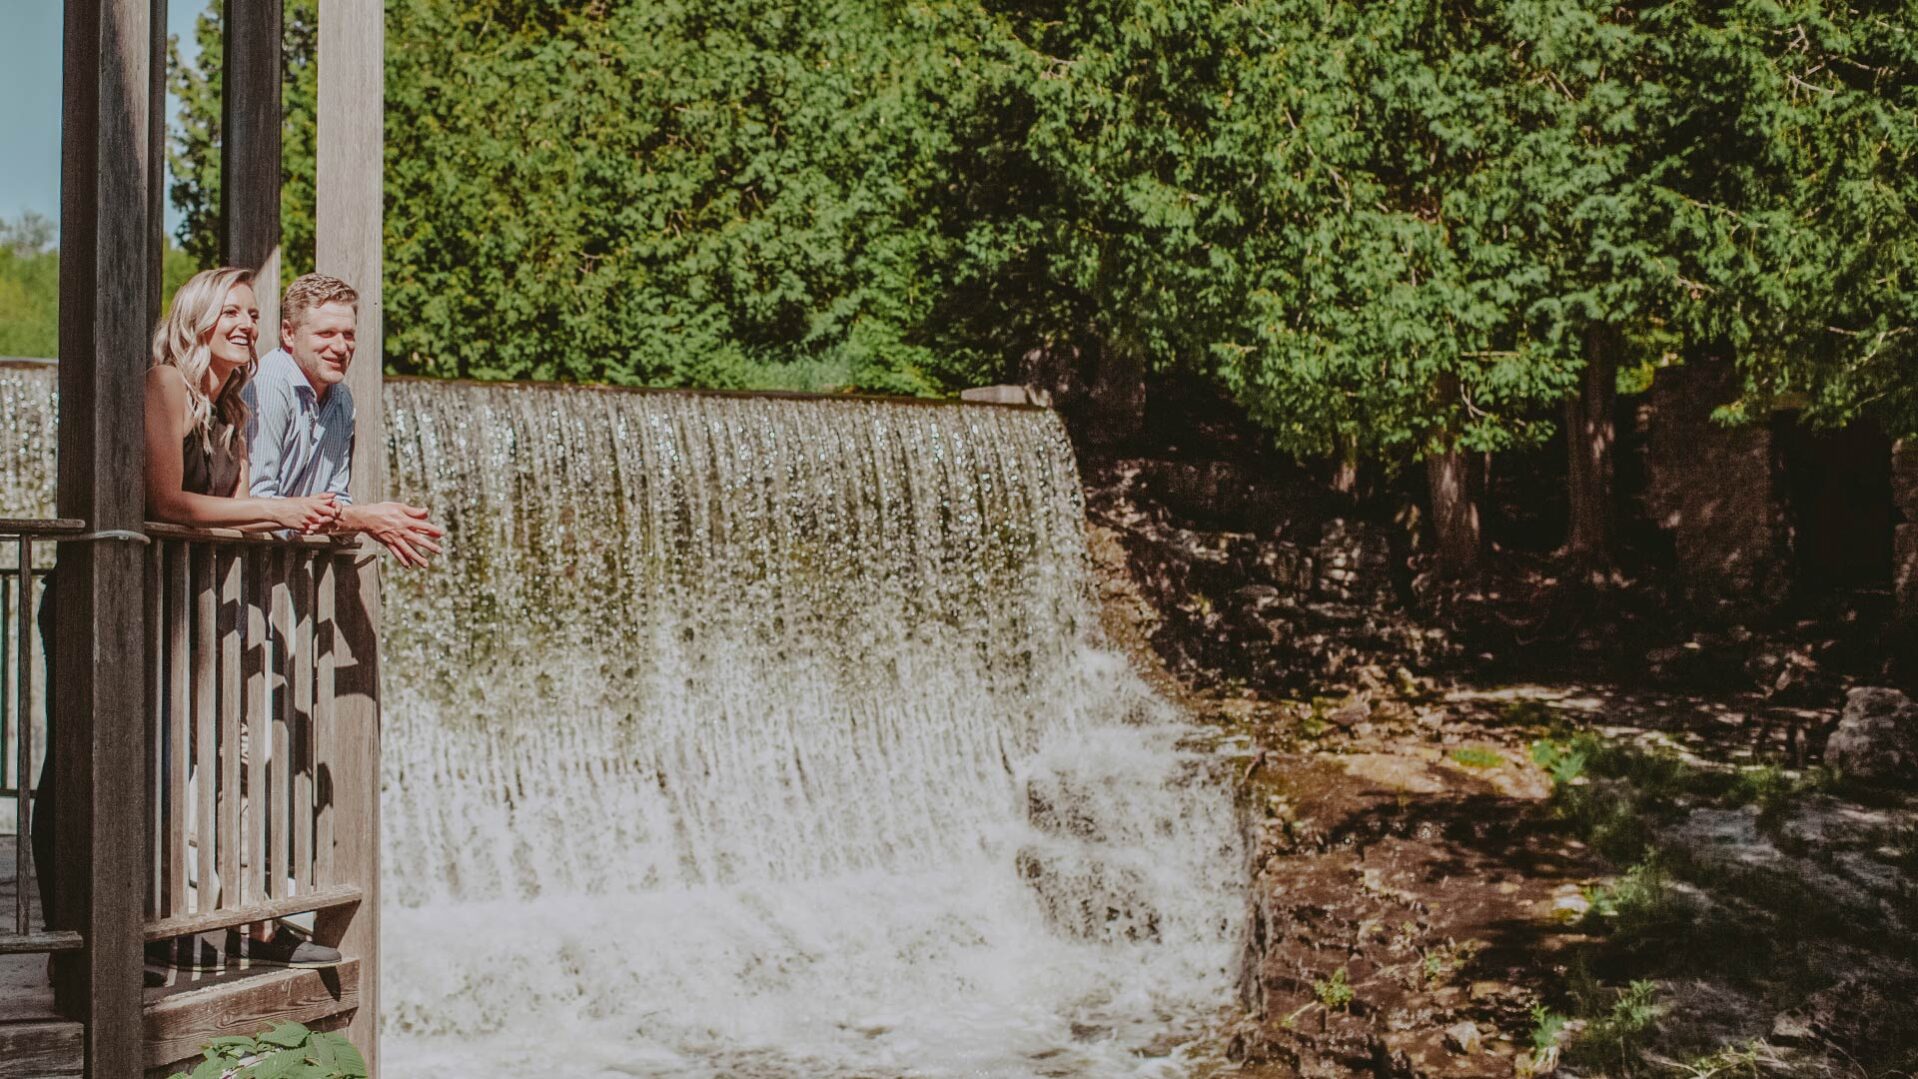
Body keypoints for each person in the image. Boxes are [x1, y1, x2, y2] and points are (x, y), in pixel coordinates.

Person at [32, 268, 344, 979]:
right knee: (83, 764)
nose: (246, 324)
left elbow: (236, 510)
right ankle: (69, 949)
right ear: (198, 318)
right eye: (231, 311)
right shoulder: (164, 383)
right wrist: (281, 510)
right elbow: (170, 502)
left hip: (177, 613)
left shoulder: (233, 408)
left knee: (181, 766)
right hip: (101, 602)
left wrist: (306, 515)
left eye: (253, 314)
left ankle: (174, 923)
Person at [244, 272, 443, 565]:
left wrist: (358, 519)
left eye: (348, 335)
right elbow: (258, 502)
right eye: (325, 334)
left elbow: (335, 498)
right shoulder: (272, 382)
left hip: (288, 570)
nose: (340, 347)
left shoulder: (342, 399)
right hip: (239, 569)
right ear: (289, 334)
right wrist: (362, 519)